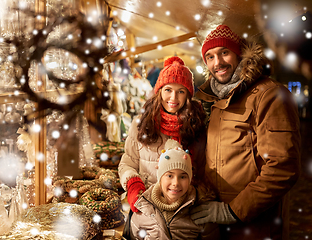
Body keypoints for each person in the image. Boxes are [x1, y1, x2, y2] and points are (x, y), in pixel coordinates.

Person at [191, 25, 301, 239]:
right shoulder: (215, 98)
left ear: (239, 53)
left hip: (257, 226)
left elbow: (283, 167)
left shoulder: (270, 95)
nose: (218, 63)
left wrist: (232, 211)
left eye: (224, 52)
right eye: (210, 56)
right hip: (219, 224)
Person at [118, 56, 208, 213]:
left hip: (184, 210)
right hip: (146, 205)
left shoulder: (197, 125)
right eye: (168, 90)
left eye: (180, 91)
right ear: (159, 91)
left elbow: (202, 169)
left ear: (188, 95)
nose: (173, 98)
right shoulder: (142, 123)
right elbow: (127, 163)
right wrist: (133, 185)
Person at [127, 139, 219, 239]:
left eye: (183, 177)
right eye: (170, 176)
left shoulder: (201, 212)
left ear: (190, 179)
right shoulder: (143, 209)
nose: (176, 183)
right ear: (160, 178)